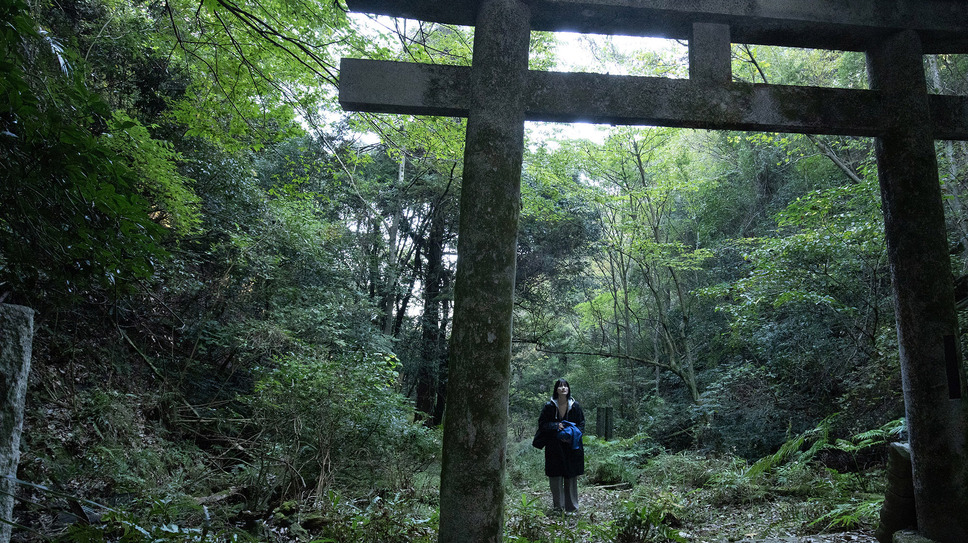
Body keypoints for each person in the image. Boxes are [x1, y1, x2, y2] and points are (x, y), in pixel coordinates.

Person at [536, 378, 585, 512]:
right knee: (556, 477)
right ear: (556, 389)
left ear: (568, 389)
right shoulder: (549, 406)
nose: (563, 388)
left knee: (571, 476)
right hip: (554, 447)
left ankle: (572, 508)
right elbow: (542, 424)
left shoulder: (575, 406)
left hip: (572, 447)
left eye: (565, 386)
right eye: (560, 386)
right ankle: (559, 508)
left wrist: (571, 434)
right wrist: (556, 425)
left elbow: (581, 424)